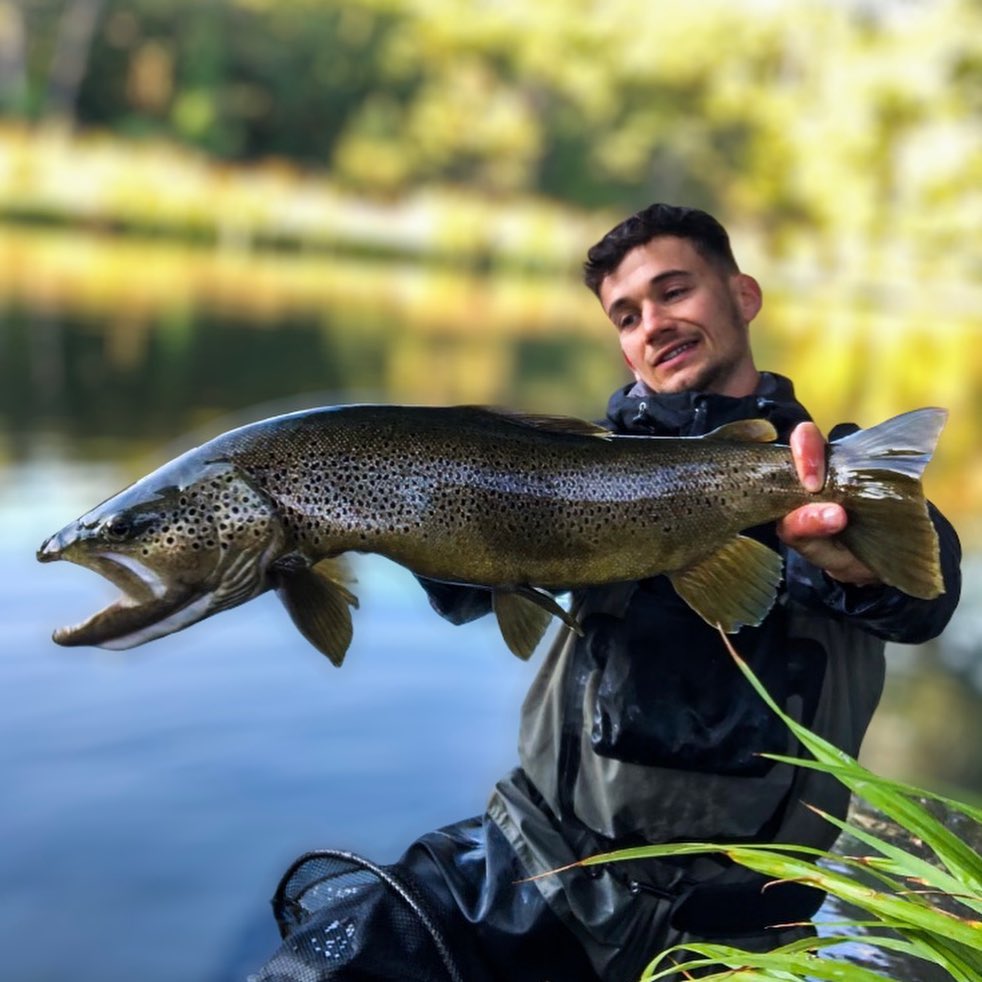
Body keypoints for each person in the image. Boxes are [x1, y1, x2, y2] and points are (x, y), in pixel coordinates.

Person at [253, 204, 961, 981]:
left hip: (742, 933)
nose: (653, 323)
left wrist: (851, 566)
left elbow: (926, 598)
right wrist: (382, 518)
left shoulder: (820, 472)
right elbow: (465, 596)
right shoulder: (553, 464)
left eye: (675, 292)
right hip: (536, 876)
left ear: (744, 296)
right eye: (627, 315)